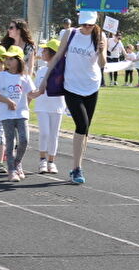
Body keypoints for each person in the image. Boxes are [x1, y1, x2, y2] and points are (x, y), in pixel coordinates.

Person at [37, 10, 106, 185]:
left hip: (91, 85)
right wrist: (45, 80)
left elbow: (102, 64)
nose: (87, 27)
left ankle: (78, 165)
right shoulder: (71, 33)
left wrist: (102, 51)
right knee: (81, 124)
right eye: (84, 24)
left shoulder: (99, 35)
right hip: (71, 86)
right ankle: (76, 168)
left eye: (90, 24)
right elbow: (58, 56)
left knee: (86, 129)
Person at [0, 45, 37, 182]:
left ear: (19, 60)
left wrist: (42, 90)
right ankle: (11, 169)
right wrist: (8, 101)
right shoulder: (1, 76)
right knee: (10, 142)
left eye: (12, 59)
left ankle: (17, 162)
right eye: (7, 58)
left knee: (24, 140)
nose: (8, 61)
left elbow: (31, 94)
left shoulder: (24, 77)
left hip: (22, 113)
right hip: (7, 115)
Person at [31, 39, 65, 174]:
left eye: (45, 50)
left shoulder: (62, 70)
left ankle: (51, 161)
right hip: (42, 106)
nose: (42, 52)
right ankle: (42, 160)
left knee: (54, 135)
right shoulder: (41, 70)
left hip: (57, 106)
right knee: (44, 133)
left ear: (52, 53)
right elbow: (35, 89)